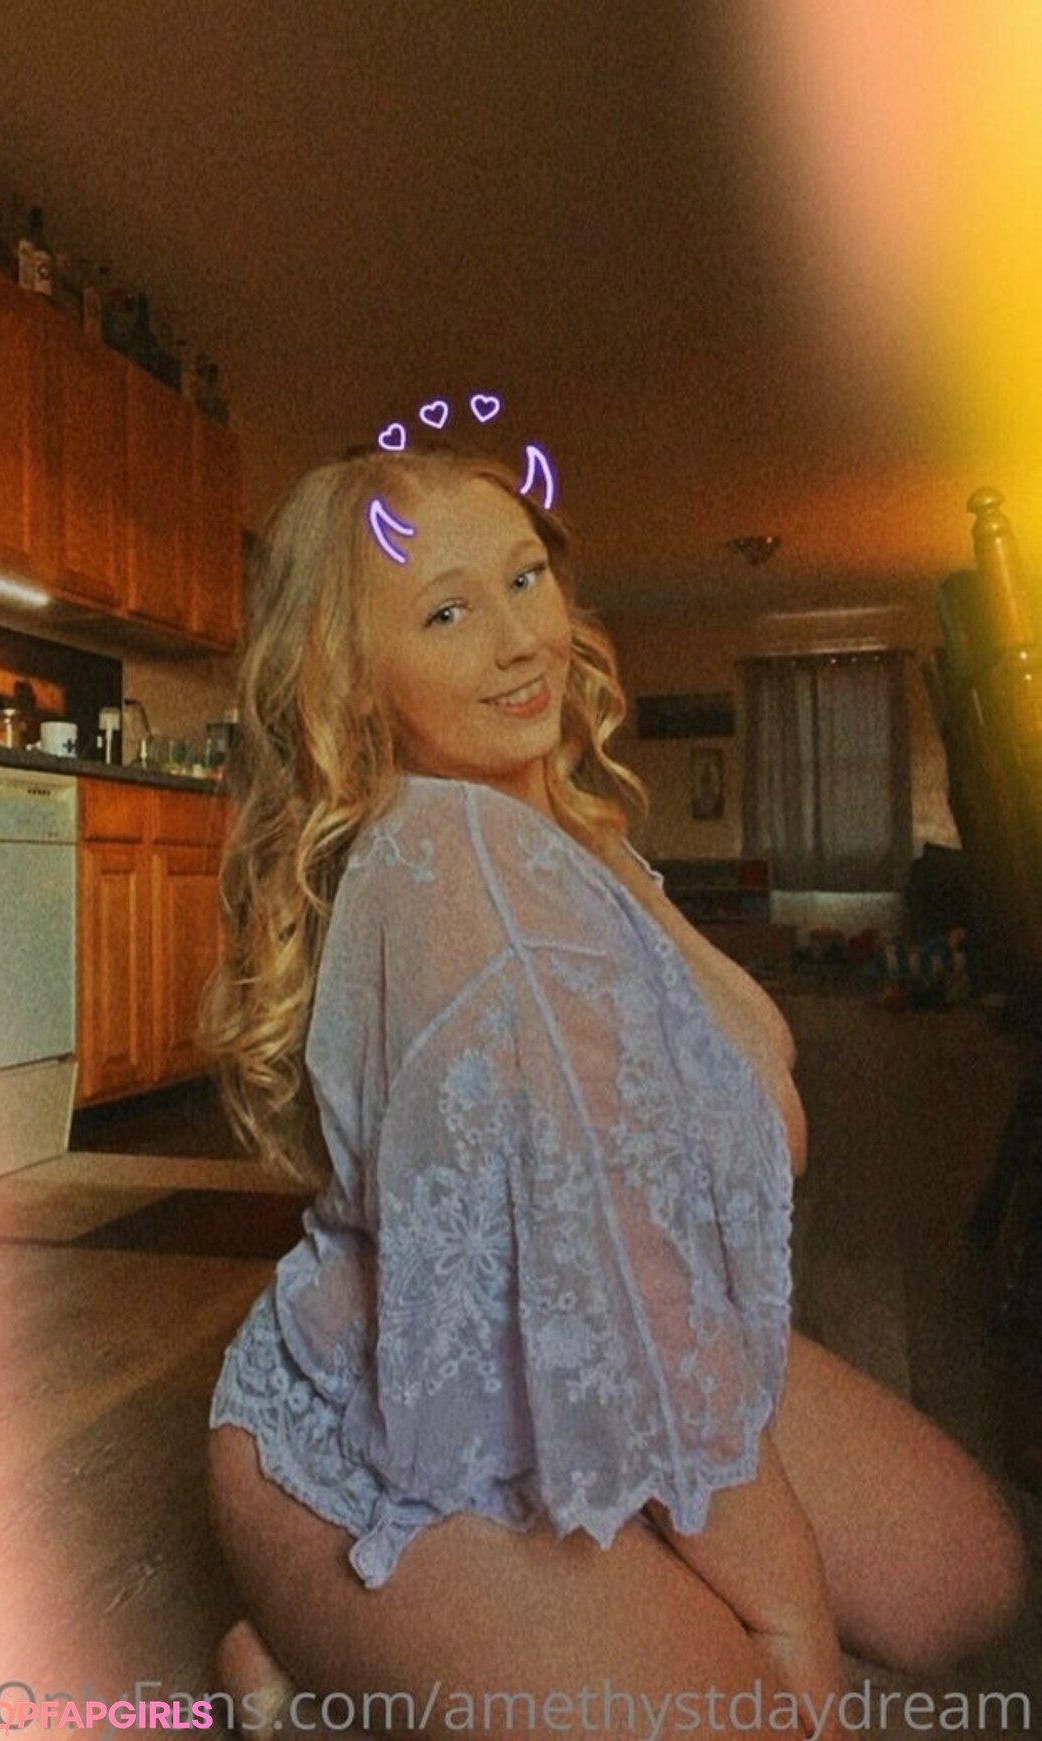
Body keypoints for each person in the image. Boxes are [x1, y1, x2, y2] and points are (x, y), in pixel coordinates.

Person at [205, 444, 1026, 1740]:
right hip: (387, 1423)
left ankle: (394, 1660)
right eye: (446, 611)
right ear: (353, 680)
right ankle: (330, 1643)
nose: (519, 638)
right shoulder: (453, 862)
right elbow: (629, 1279)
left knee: (970, 1578)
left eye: (524, 577)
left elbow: (766, 1089)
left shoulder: (556, 837)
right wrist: (786, 1611)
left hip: (597, 1338)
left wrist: (565, 817)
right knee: (755, 1715)